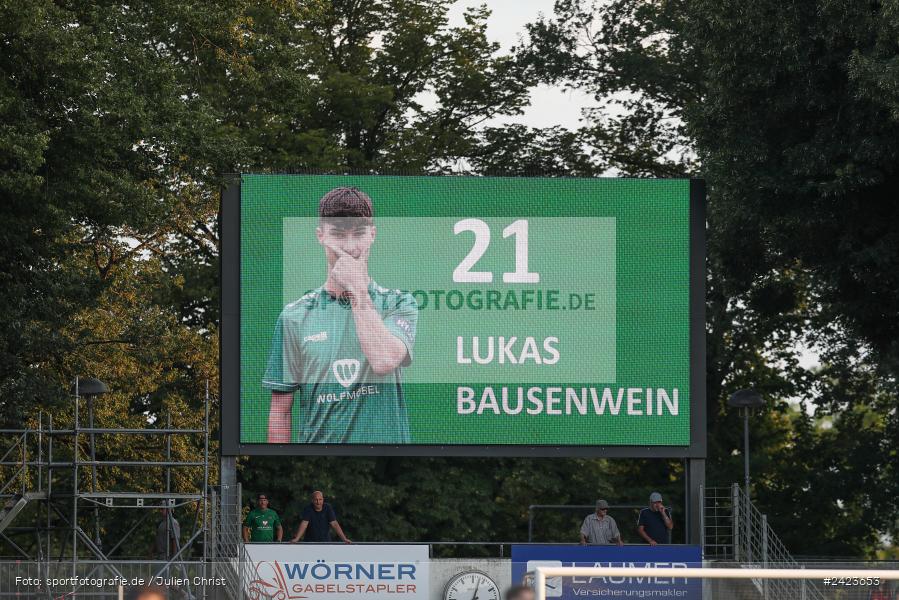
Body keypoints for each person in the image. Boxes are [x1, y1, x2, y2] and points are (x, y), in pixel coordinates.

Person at [264, 186, 419, 444]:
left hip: (385, 463)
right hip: (319, 462)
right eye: (338, 234)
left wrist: (358, 289)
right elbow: (280, 411)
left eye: (358, 234)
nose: (349, 247)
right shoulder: (294, 317)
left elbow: (383, 360)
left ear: (372, 235)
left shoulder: (399, 303)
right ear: (321, 236)